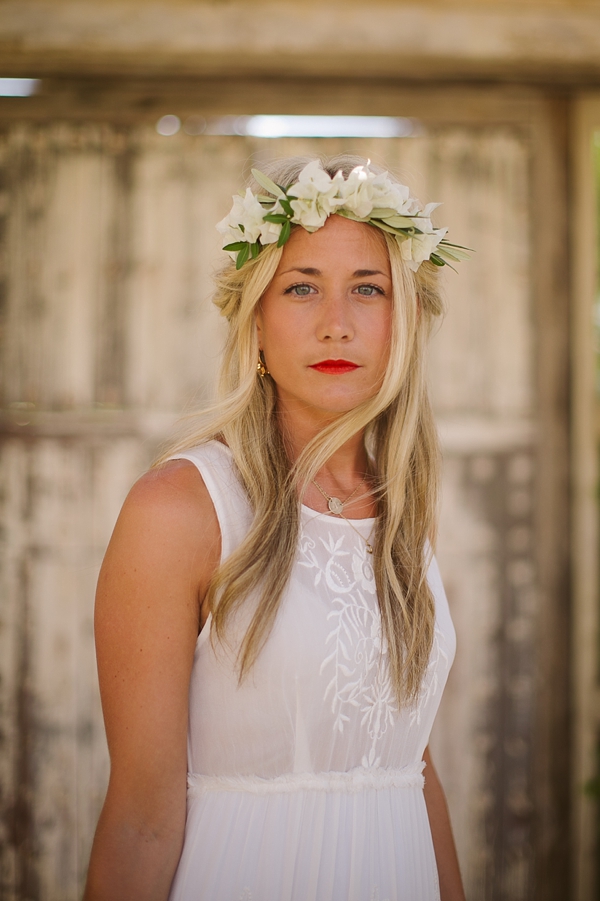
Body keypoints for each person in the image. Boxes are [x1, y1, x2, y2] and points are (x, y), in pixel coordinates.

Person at [83, 155, 468, 901]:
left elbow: (410, 770)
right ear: (255, 321)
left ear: (406, 319)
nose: (336, 323)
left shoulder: (402, 511)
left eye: (368, 288)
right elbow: (139, 821)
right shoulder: (182, 509)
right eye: (301, 288)